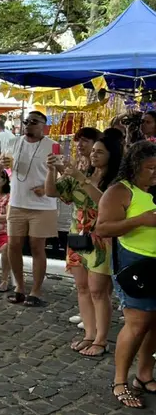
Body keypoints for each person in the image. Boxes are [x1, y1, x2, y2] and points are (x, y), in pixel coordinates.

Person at [46, 135, 121, 359]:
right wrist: (52, 170)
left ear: (111, 155)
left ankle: (101, 339)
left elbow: (104, 202)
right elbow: (52, 192)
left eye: (99, 151)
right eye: (93, 151)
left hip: (102, 237)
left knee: (99, 290)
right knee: (82, 288)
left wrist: (82, 178)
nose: (94, 155)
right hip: (78, 235)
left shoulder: (117, 181)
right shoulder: (83, 174)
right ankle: (89, 334)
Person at [95, 141, 156, 409]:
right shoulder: (120, 191)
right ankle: (120, 381)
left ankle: (144, 375)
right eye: (150, 168)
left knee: (154, 322)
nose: (155, 173)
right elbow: (104, 228)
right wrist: (139, 221)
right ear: (134, 167)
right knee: (137, 322)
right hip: (134, 263)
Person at [2, 111, 58, 307]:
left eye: (34, 122)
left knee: (36, 247)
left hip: (42, 206)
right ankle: (19, 287)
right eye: (26, 121)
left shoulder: (52, 145)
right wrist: (2, 166)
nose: (28, 125)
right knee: (13, 245)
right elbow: (5, 167)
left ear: (44, 125)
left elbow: (64, 173)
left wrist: (47, 187)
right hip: (17, 202)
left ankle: (36, 290)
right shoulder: (14, 142)